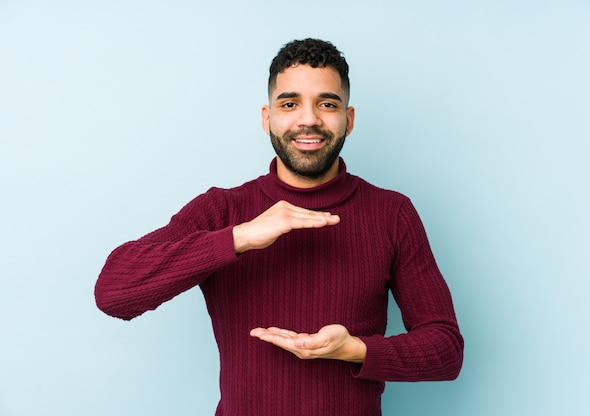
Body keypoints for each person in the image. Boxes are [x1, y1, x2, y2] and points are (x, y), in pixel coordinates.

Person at [95, 38, 463, 416]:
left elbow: (446, 350)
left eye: (327, 104)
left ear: (348, 120)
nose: (308, 119)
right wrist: (239, 238)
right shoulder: (223, 210)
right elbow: (113, 292)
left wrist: (353, 349)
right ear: (266, 118)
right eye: (289, 104)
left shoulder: (392, 213)